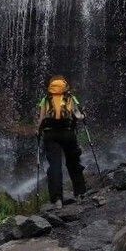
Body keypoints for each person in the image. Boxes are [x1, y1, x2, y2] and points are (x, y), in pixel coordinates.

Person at [36, 75, 87, 205]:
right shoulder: (70, 97)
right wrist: (83, 115)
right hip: (68, 133)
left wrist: (38, 131)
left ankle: (57, 199)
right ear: (65, 86)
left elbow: (41, 119)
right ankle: (80, 193)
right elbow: (78, 115)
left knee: (54, 166)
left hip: (50, 135)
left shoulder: (46, 99)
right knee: (73, 162)